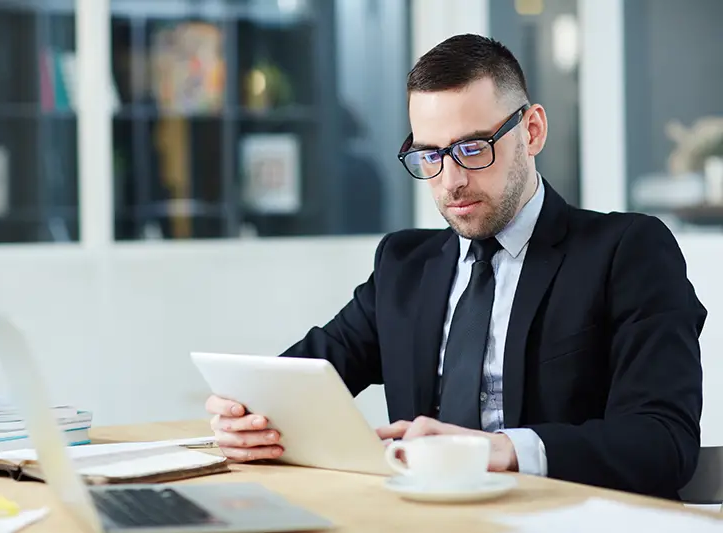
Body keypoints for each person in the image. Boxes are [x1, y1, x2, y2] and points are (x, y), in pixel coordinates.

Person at [204, 34, 707, 500]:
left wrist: (499, 449)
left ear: (531, 131)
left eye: (473, 148)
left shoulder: (627, 251)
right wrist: (246, 416)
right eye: (430, 155)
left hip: (561, 517)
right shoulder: (404, 265)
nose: (451, 181)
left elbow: (664, 439)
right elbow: (302, 378)